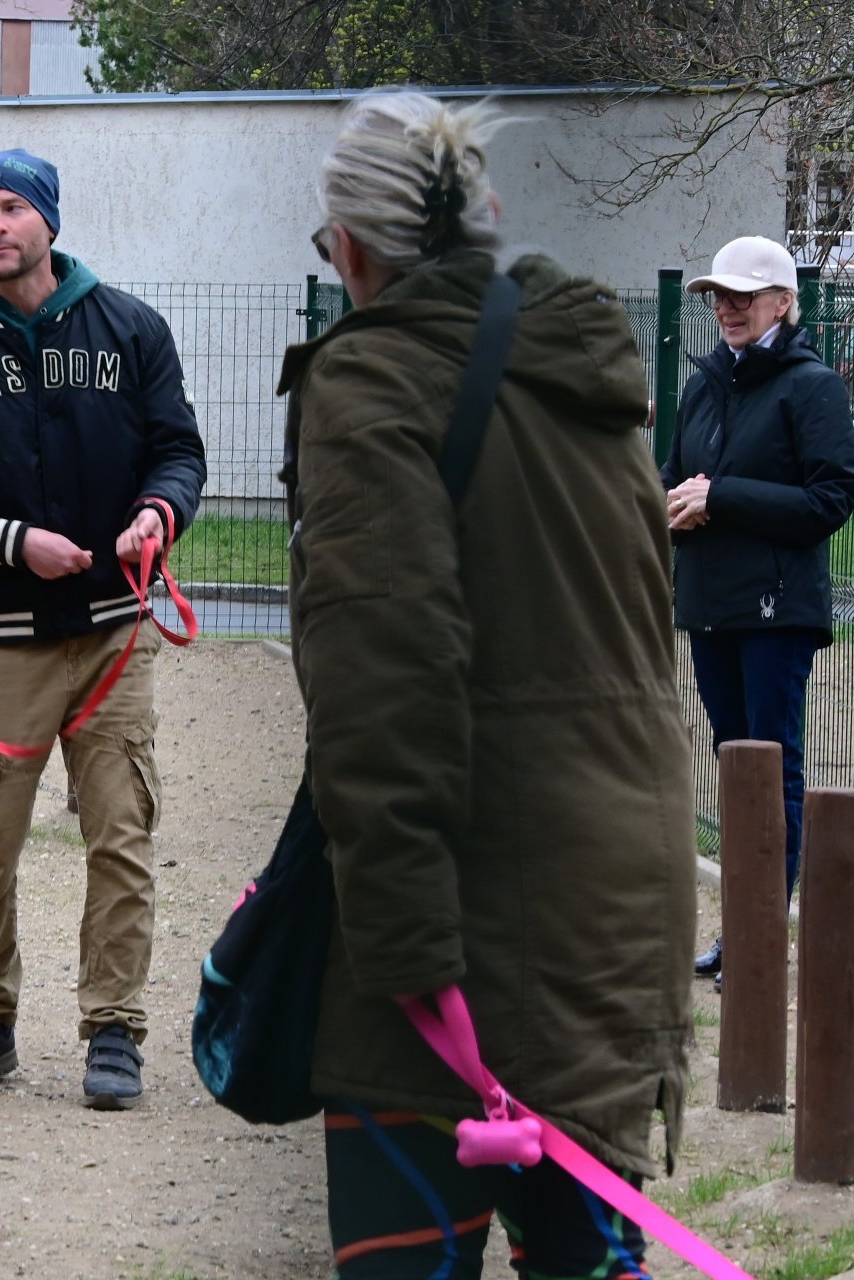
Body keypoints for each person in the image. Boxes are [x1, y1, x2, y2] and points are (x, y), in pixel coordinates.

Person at [282, 91, 694, 1276]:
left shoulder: (373, 382)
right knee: (587, 1258)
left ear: (350, 246)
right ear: (485, 224)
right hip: (620, 892)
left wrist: (409, 960)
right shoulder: (589, 375)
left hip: (465, 915)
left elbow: (382, 687)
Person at [0, 148, 206, 1110]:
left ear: (49, 222)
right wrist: (15, 545)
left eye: (13, 207)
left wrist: (160, 512)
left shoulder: (132, 329)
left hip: (112, 631)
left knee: (121, 834)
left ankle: (114, 1032)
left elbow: (178, 450)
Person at [663, 235, 854, 990]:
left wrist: (723, 497)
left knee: (772, 770)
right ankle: (742, 927)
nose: (727, 308)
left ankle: (759, 934)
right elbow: (680, 473)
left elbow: (830, 500)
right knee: (733, 766)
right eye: (718, 295)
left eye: (743, 296)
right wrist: (675, 501)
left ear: (783, 302)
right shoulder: (707, 385)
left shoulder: (811, 388)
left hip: (777, 613)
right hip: (711, 605)